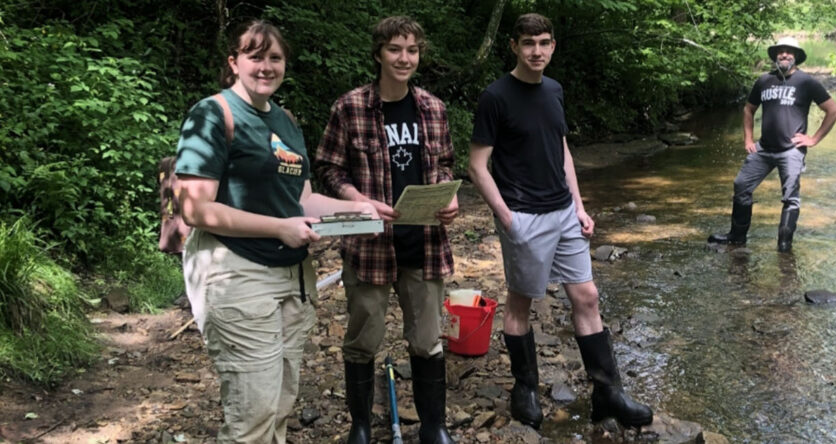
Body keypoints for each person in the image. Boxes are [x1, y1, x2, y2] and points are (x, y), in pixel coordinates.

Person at [175, 20, 379, 443]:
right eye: (255, 56)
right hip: (236, 274)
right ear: (234, 62)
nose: (265, 66)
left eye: (275, 58)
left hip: (292, 278)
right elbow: (194, 209)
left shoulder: (285, 121)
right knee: (253, 413)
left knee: (280, 404)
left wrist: (358, 206)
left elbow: (301, 201)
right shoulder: (214, 114)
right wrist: (279, 229)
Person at [467, 13, 653, 431]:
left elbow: (562, 149)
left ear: (553, 46)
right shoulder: (495, 97)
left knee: (586, 297)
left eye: (545, 43)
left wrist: (580, 206)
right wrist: (507, 218)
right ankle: (525, 388)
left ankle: (608, 395)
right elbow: (478, 166)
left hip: (564, 212)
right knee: (521, 302)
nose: (537, 51)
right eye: (529, 43)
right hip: (523, 216)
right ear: (514, 45)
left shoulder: (554, 89)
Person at [314, 16, 458, 444]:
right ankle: (360, 426)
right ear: (378, 53)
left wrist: (449, 197)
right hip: (369, 245)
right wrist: (356, 198)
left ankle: (434, 426)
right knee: (362, 341)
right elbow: (327, 166)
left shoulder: (433, 108)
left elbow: (447, 162)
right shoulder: (351, 106)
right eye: (395, 49)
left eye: (412, 50)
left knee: (429, 342)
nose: (404, 58)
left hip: (425, 244)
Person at [708, 37, 836, 252]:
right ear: (775, 56)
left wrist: (814, 139)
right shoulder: (763, 81)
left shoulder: (806, 82)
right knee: (741, 186)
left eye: (789, 52)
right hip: (763, 149)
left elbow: (833, 110)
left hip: (791, 151)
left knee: (790, 199)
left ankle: (784, 246)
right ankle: (737, 237)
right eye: (781, 51)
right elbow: (748, 109)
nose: (785, 55)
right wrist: (748, 139)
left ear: (796, 56)